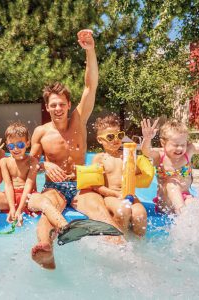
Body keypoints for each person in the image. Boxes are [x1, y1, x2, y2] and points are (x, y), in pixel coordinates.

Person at [28, 29, 123, 269]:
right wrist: (43, 164)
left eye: (62, 104)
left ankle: (122, 253)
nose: (58, 108)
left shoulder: (79, 120)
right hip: (54, 188)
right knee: (46, 219)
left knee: (102, 216)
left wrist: (90, 50)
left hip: (81, 186)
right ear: (47, 107)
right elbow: (28, 164)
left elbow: (90, 86)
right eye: (53, 105)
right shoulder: (41, 132)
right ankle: (46, 250)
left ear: (69, 105)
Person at [141, 118, 199, 214]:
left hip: (186, 197)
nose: (180, 148)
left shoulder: (189, 150)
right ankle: (182, 217)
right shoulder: (160, 155)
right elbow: (146, 151)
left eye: (183, 144)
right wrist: (147, 138)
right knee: (171, 183)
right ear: (163, 143)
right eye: (175, 145)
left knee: (197, 206)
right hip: (166, 203)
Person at [92, 115, 147, 236]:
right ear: (100, 140)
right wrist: (117, 194)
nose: (116, 139)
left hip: (130, 194)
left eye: (119, 135)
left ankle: (139, 245)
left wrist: (132, 163)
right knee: (123, 210)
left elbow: (139, 175)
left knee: (140, 214)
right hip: (111, 196)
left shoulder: (127, 155)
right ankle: (120, 240)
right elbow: (97, 187)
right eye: (110, 137)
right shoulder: (100, 158)